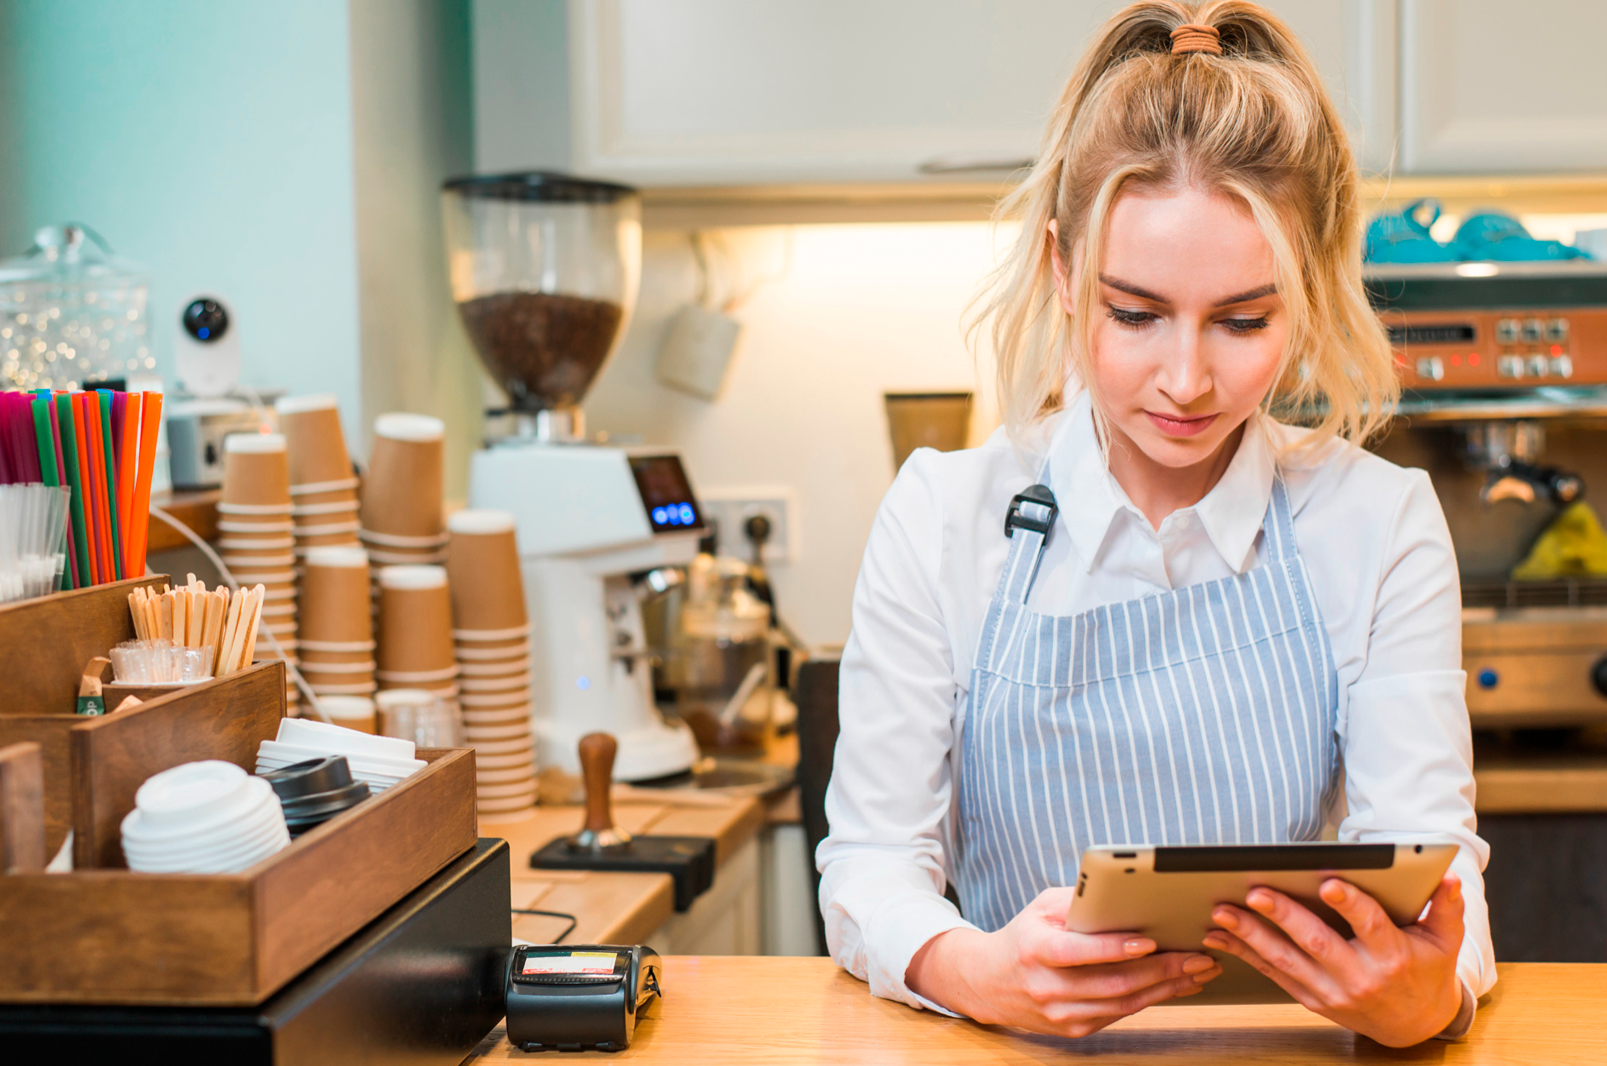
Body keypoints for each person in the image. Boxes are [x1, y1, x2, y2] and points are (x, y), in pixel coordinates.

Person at [816, 0, 1494, 1047]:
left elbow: (1433, 866)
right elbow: (866, 866)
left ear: (1305, 295)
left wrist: (1427, 997)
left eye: (1241, 319)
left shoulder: (1377, 521)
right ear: (1060, 270)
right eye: (1132, 312)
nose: (1184, 380)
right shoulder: (943, 516)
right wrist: (976, 971)